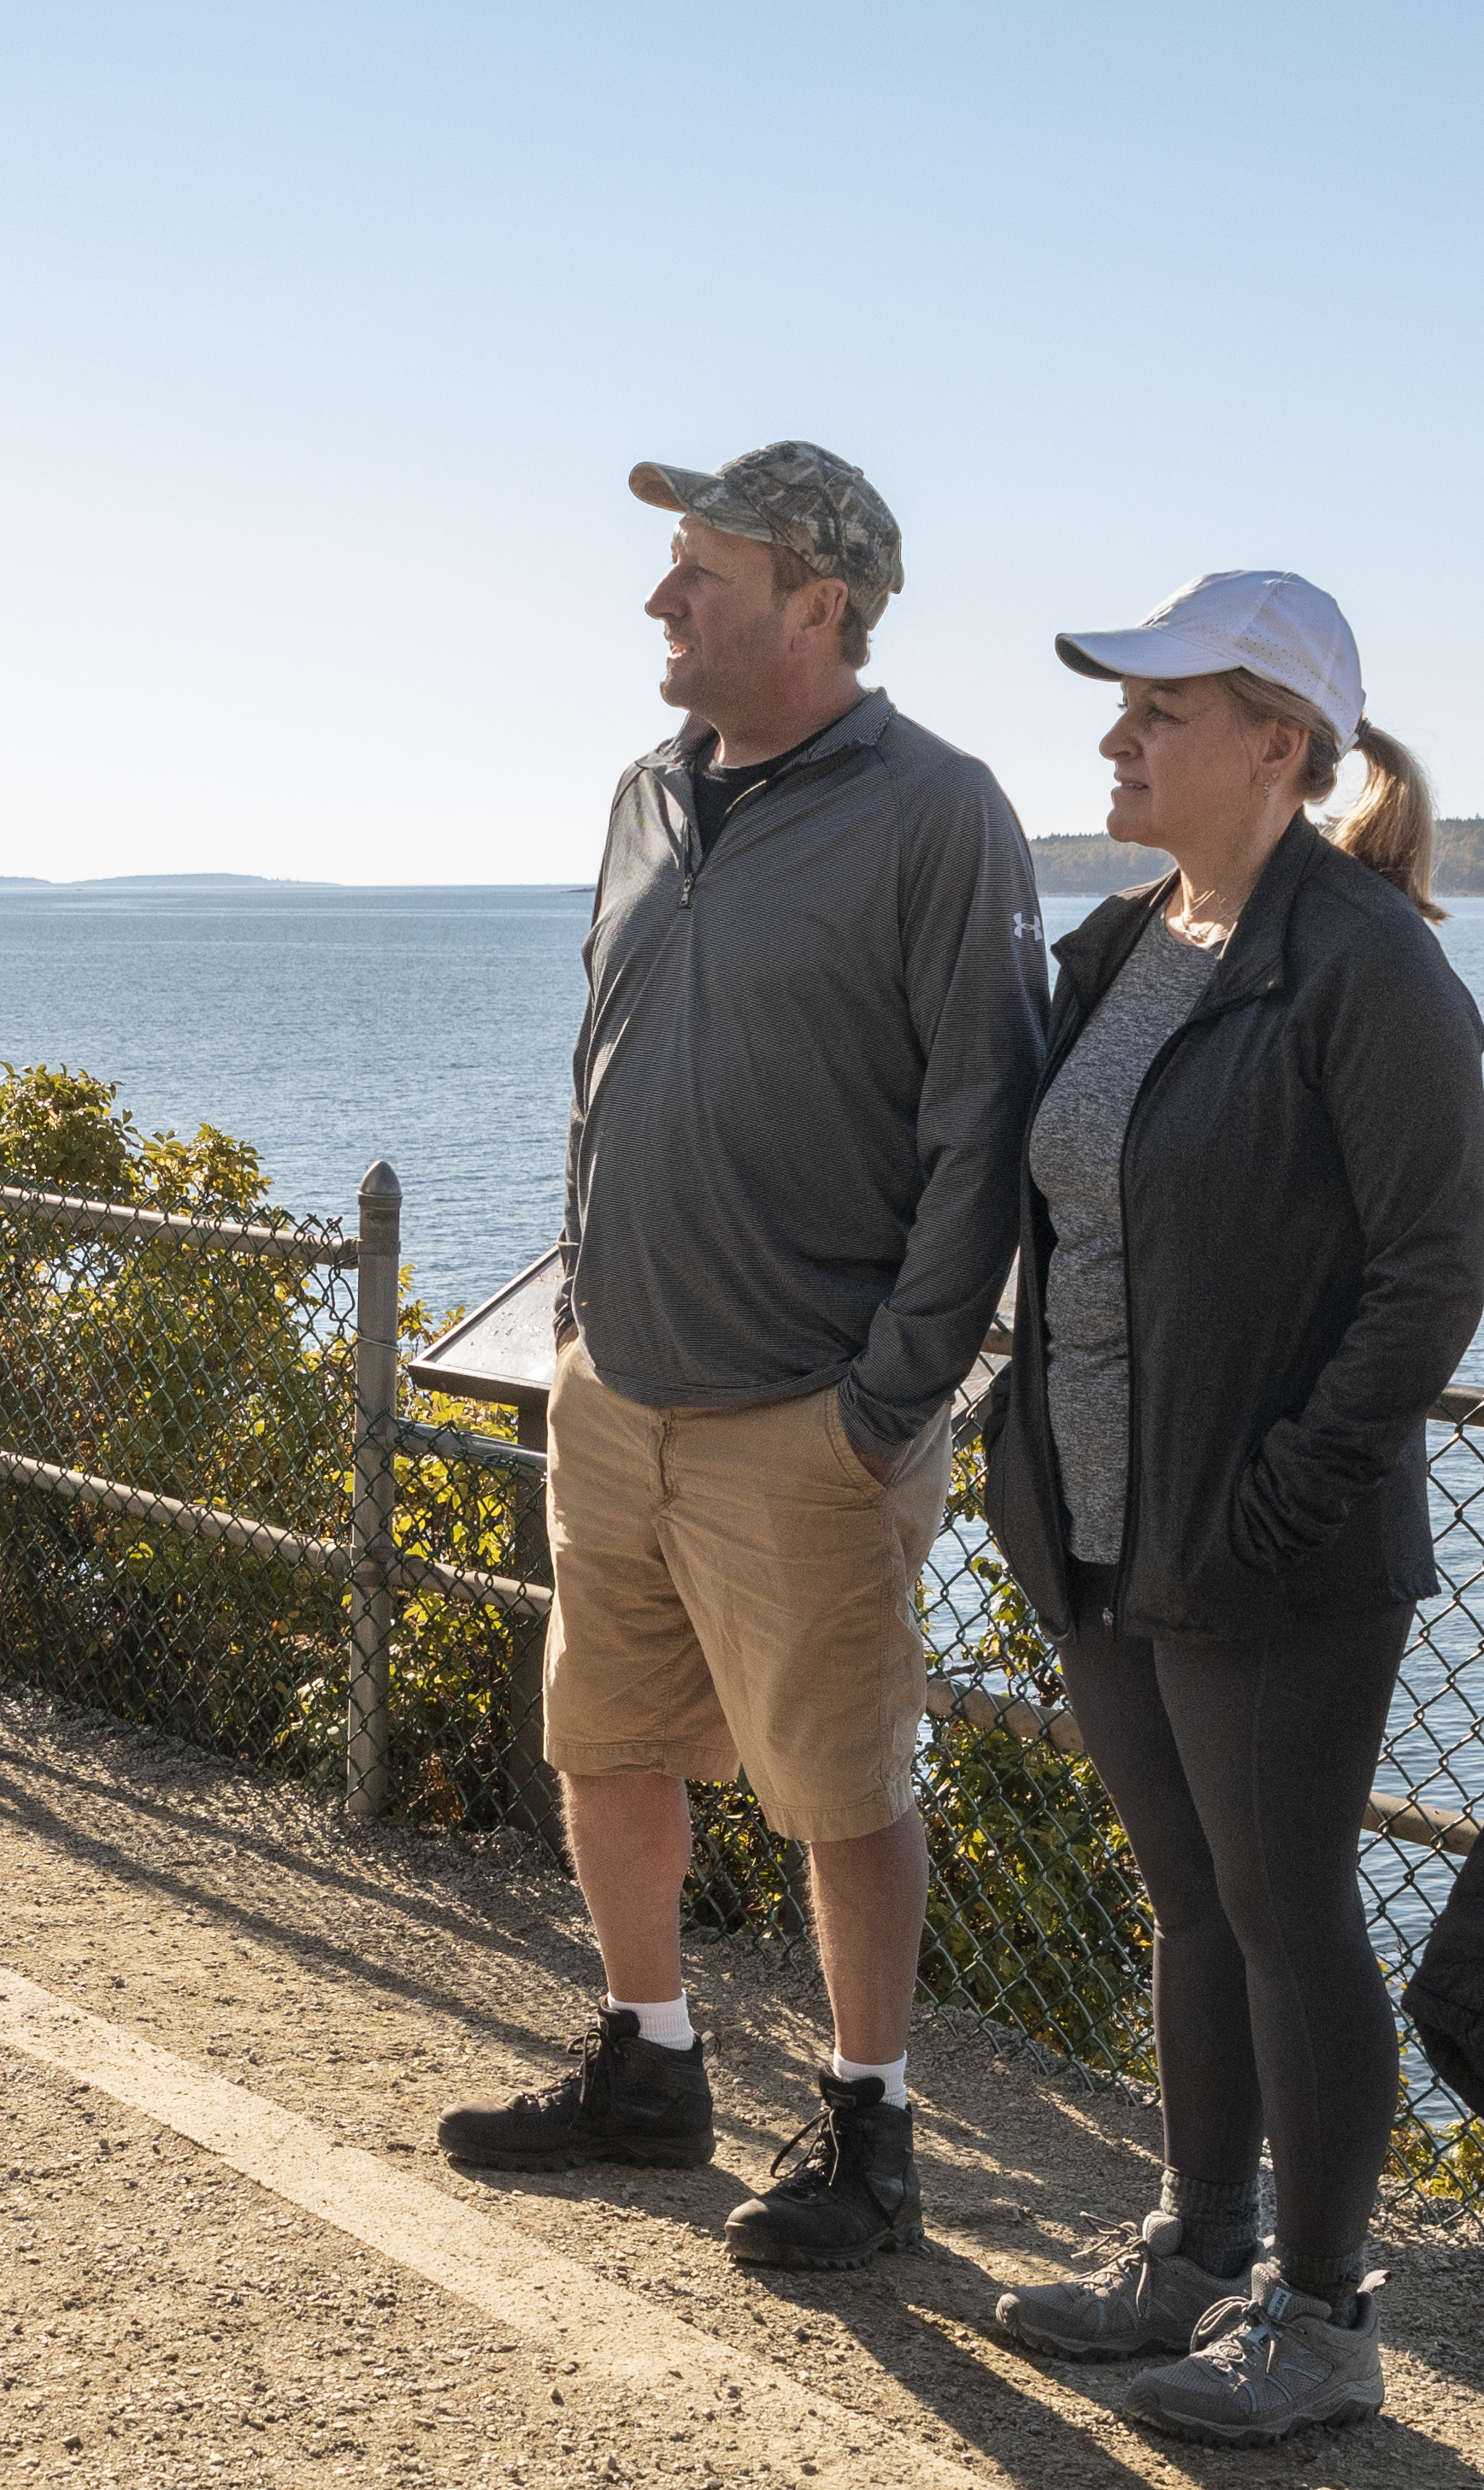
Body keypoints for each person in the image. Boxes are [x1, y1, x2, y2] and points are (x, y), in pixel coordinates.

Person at [435, 444, 1046, 2268]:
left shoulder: (941, 813)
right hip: (616, 1386)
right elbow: (599, 1059)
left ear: (820, 604)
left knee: (841, 1783)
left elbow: (983, 1128)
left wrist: (888, 1402)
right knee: (603, 1738)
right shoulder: (645, 791)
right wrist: (575, 1326)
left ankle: (874, 2132)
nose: (660, 599)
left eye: (700, 568)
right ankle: (650, 2063)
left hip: (810, 1415)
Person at [972, 574, 1483, 2440]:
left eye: (1155, 711)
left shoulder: (1366, 964)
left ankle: (1325, 2320)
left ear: (1278, 744)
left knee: (1287, 1909)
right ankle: (1195, 2255)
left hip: (1268, 1552)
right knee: (1191, 1903)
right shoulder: (1122, 948)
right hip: (1105, 1526)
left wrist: (1278, 1496)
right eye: (1118, 711)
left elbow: (1429, 1284)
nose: (1115, 739)